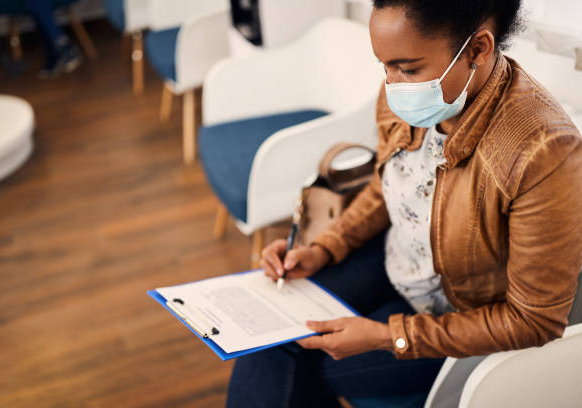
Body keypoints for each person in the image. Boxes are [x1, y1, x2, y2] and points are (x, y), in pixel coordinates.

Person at [226, 0, 582, 406]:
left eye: (408, 69)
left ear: (478, 49)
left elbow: (533, 320)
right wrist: (323, 248)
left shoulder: (544, 151)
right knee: (270, 330)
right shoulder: (410, 93)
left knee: (308, 362)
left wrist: (387, 336)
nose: (393, 84)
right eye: (385, 67)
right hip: (398, 259)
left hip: (461, 315)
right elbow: (389, 186)